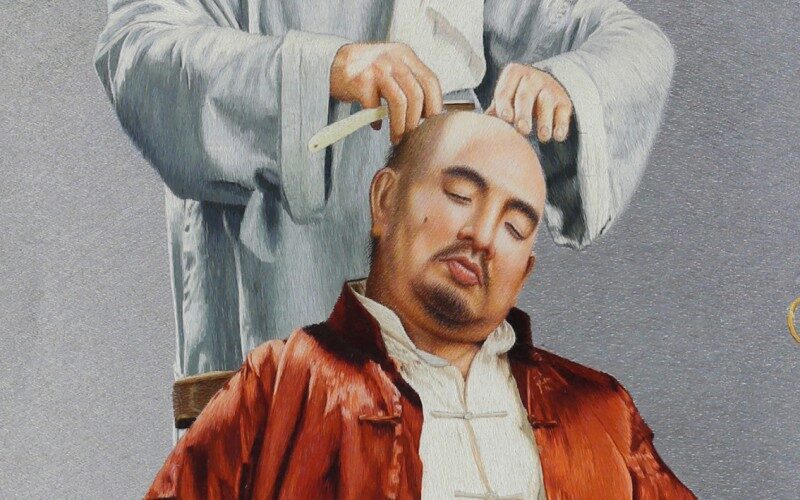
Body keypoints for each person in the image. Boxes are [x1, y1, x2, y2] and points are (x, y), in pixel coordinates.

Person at [95, 1, 675, 394]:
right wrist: (323, 68)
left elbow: (630, 43)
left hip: (437, 364)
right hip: (274, 326)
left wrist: (568, 82)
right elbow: (137, 48)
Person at [145, 112, 694, 499]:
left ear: (523, 274)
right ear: (385, 200)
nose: (482, 235)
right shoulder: (284, 383)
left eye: (513, 226)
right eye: (460, 196)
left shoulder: (599, 409)